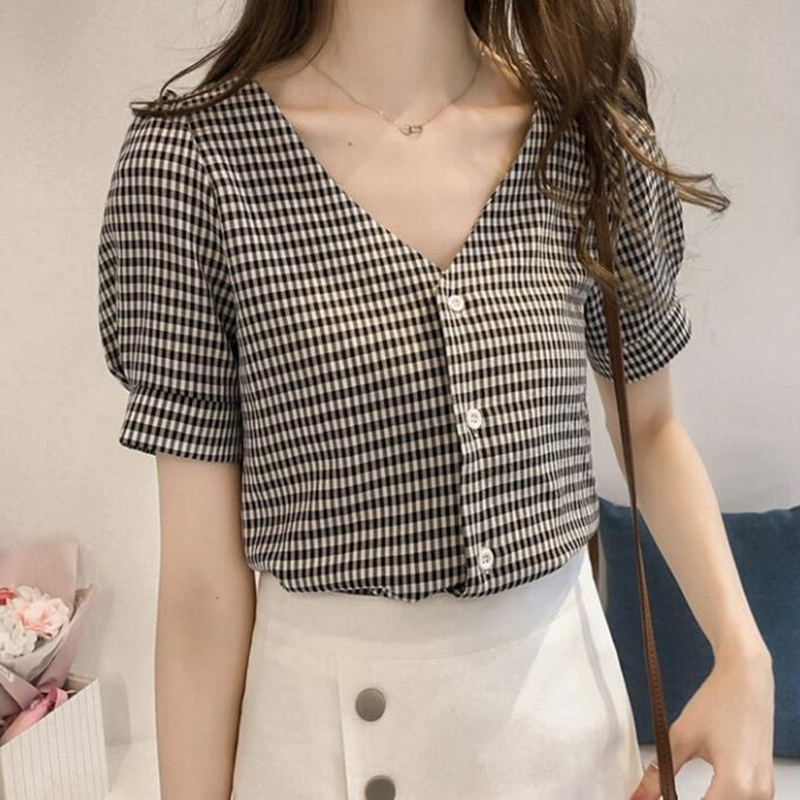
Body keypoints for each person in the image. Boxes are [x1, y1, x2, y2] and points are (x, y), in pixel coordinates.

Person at [95, 1, 775, 799]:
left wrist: (744, 652)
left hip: (566, 732)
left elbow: (651, 428)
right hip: (319, 745)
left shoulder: (586, 139)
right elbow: (201, 587)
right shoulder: (190, 166)